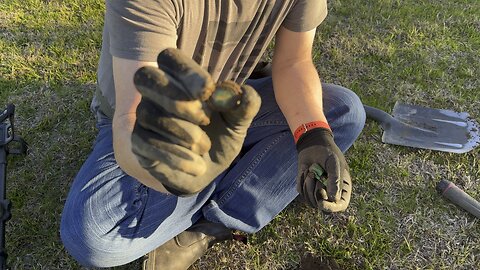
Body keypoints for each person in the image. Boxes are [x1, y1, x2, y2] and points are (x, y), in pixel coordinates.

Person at [60, 0, 366, 269]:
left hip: (229, 105)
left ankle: (214, 222)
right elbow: (132, 117)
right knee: (92, 236)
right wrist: (170, 176)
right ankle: (234, 174)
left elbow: (293, 62)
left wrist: (313, 136)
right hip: (154, 122)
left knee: (344, 112)